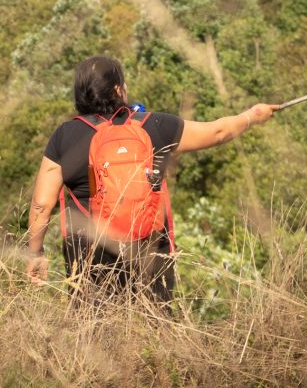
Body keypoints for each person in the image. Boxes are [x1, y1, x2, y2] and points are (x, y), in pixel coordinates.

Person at [24, 55, 278, 302]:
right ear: (118, 90)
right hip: (151, 256)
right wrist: (252, 116)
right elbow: (218, 132)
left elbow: (42, 205)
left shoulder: (65, 136)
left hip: (90, 259)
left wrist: (36, 253)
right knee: (154, 333)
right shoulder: (155, 125)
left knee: (94, 336)